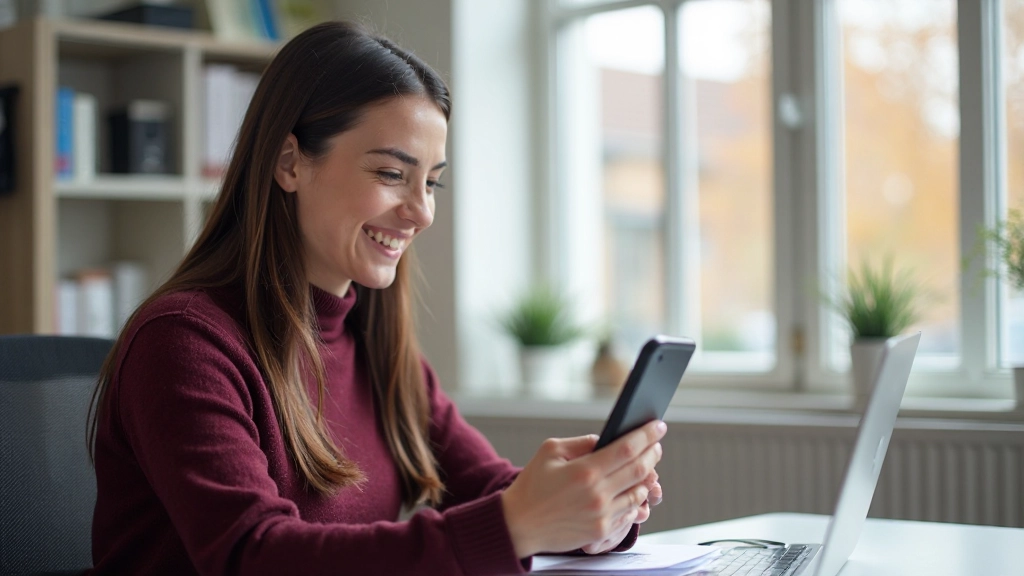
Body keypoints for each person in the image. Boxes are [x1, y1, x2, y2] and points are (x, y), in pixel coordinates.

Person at [86, 20, 665, 575]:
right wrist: (514, 526)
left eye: (431, 181)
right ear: (289, 162)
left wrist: (591, 515)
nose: (421, 211)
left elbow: (491, 485)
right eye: (392, 174)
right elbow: (253, 557)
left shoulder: (377, 346)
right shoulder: (183, 342)